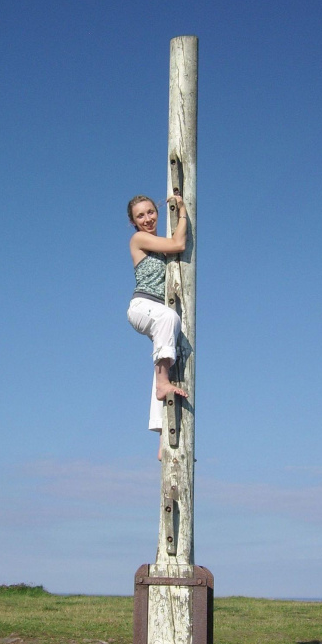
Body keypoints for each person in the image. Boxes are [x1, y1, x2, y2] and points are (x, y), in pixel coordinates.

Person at [127, 194, 188, 458]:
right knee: (169, 319)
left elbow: (172, 245)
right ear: (133, 222)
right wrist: (184, 212)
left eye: (151, 212)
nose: (147, 218)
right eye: (140, 215)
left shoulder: (157, 241)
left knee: (166, 366)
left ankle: (163, 437)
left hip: (155, 310)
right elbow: (178, 243)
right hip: (143, 307)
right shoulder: (139, 239)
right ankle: (163, 385)